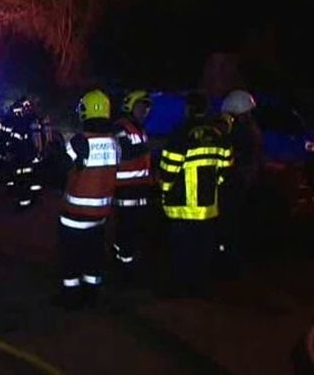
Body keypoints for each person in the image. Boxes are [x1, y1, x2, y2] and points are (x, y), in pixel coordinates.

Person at [51, 89, 121, 310]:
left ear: (85, 111)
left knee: (70, 256)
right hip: (101, 214)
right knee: (93, 255)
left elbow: (60, 169)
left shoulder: (80, 141)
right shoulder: (114, 142)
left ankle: (71, 295)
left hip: (75, 214)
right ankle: (92, 293)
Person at [159, 91, 233, 297]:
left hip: (181, 205)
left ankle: (180, 288)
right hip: (208, 208)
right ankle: (200, 287)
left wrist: (165, 192)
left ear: (188, 109)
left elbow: (168, 169)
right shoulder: (218, 135)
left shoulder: (181, 133)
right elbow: (226, 167)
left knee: (181, 250)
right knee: (203, 250)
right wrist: (212, 186)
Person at [217, 89, 263, 274]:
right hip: (243, 181)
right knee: (236, 223)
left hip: (235, 182)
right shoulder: (251, 130)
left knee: (229, 223)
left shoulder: (241, 133)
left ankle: (228, 262)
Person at [111, 90, 154, 284]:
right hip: (125, 190)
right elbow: (125, 151)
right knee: (125, 230)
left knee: (136, 230)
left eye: (147, 107)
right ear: (130, 106)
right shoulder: (121, 127)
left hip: (140, 189)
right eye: (141, 106)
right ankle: (122, 270)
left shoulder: (139, 129)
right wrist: (150, 147)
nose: (145, 111)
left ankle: (130, 265)